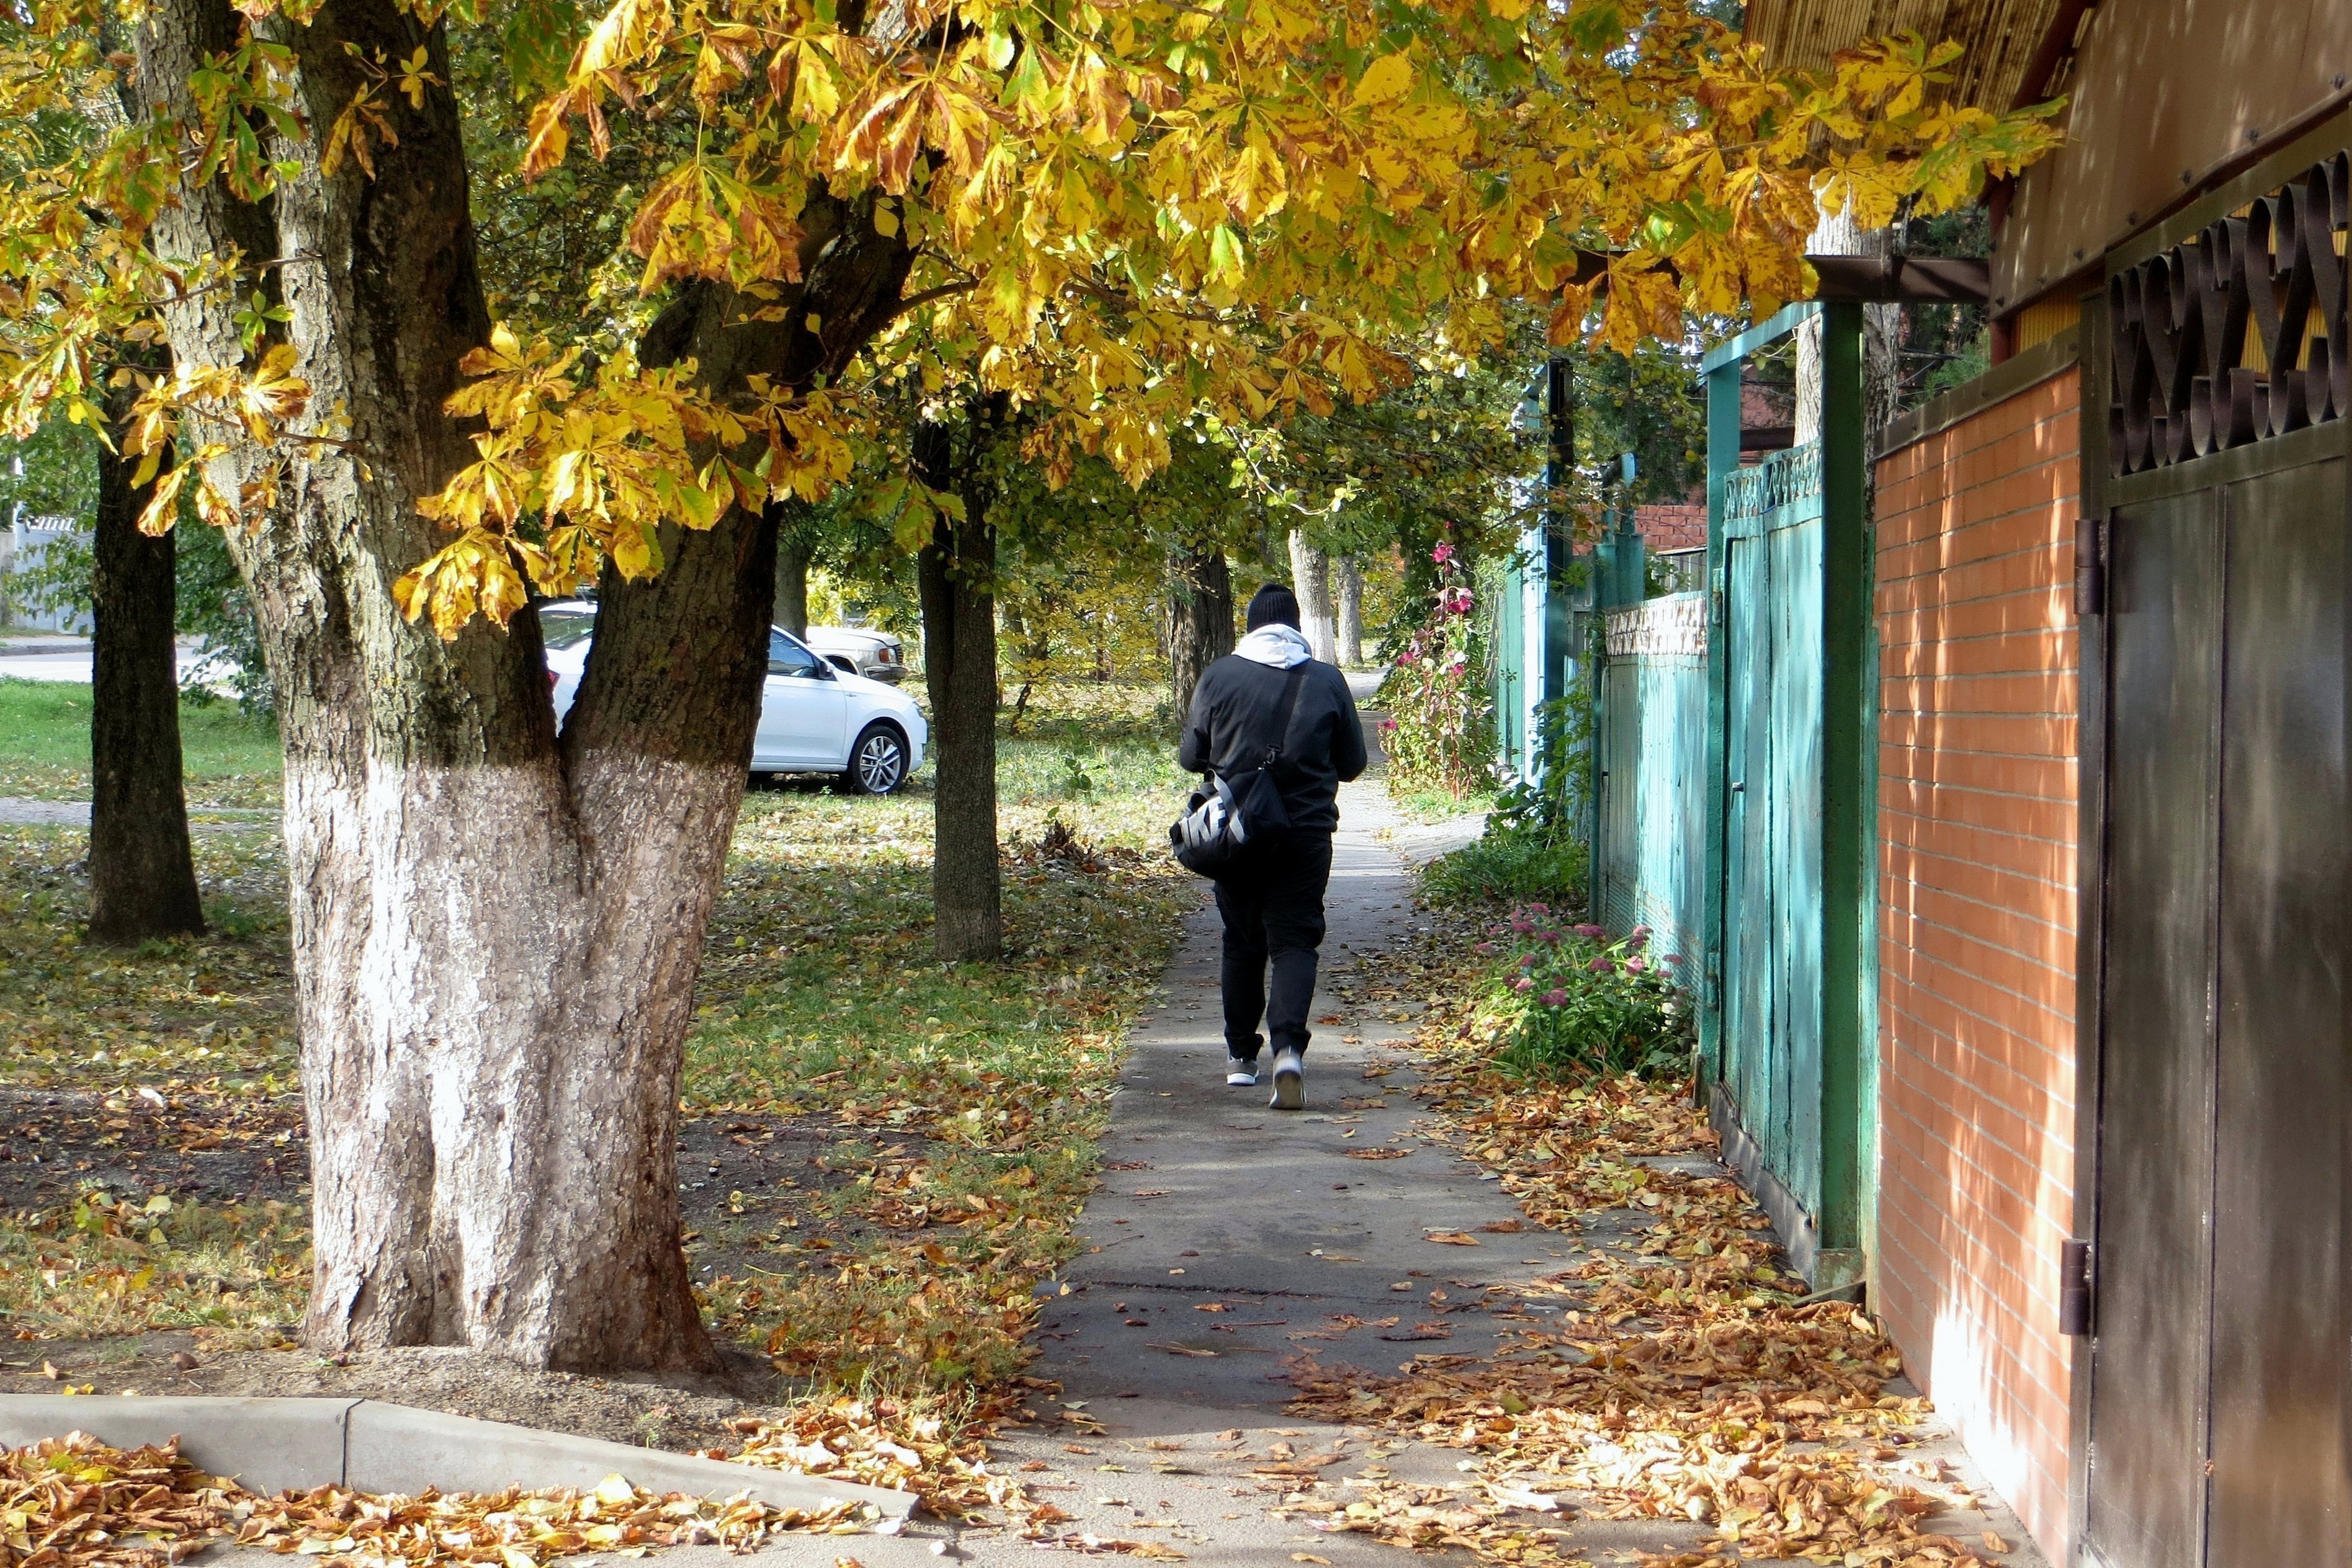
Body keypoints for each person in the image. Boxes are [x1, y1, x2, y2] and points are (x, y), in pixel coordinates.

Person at [1178, 582, 1367, 1109]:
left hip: (1237, 834)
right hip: (1304, 835)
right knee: (1294, 943)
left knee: (1241, 943)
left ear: (1250, 624)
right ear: (1297, 626)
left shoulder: (1218, 676)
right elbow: (1352, 765)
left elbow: (1191, 758)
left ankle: (1241, 1058)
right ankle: (1288, 1052)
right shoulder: (1327, 681)